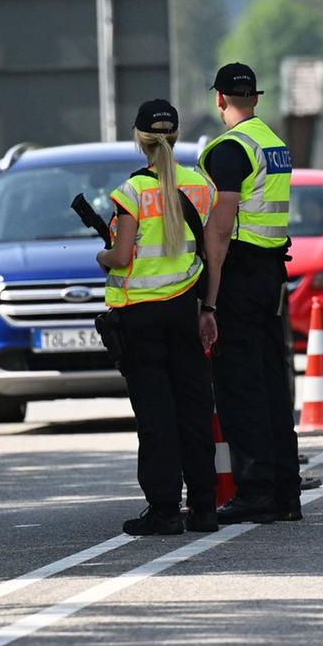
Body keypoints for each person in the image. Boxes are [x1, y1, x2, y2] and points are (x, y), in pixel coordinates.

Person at [97, 99, 219, 536]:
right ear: (177, 136)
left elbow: (122, 254)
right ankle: (204, 507)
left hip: (141, 318)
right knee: (193, 409)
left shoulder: (131, 192)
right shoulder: (201, 187)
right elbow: (215, 249)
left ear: (139, 139)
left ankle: (165, 509)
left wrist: (101, 254)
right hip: (187, 310)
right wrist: (209, 306)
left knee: (156, 416)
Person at [198, 62, 301, 525]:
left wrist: (210, 301)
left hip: (239, 274)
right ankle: (285, 492)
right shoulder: (275, 144)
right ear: (254, 98)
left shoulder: (229, 151)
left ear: (219, 99)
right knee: (272, 383)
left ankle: (255, 490)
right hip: (273, 272)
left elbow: (218, 233)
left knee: (240, 386)